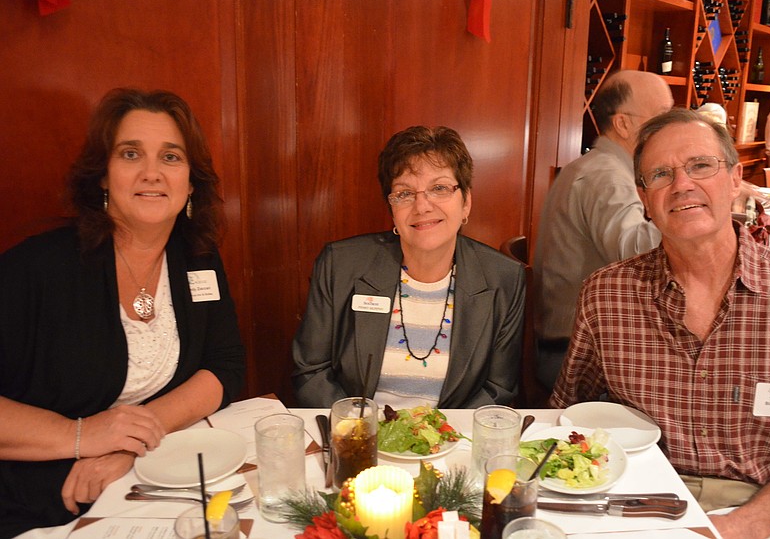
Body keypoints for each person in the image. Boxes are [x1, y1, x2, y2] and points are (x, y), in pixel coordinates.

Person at [550, 108, 770, 539]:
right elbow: (568, 412)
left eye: (700, 166)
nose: (682, 185)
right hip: (633, 502)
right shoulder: (607, 294)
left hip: (764, 511)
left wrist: (743, 526)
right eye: (661, 174)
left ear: (735, 178)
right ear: (643, 198)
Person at [0, 88, 246, 536]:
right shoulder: (36, 268)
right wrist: (81, 436)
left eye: (171, 157)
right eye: (131, 154)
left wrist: (132, 442)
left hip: (149, 480)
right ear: (103, 176)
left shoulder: (197, 258)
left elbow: (223, 366)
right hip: (42, 498)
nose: (152, 173)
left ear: (191, 183)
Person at [292, 125, 525, 409]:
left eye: (439, 188)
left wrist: (438, 431)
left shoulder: (504, 278)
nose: (422, 206)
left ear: (466, 202)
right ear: (391, 208)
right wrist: (362, 428)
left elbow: (499, 389)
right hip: (359, 432)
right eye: (404, 193)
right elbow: (311, 372)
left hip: (453, 434)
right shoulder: (339, 264)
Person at [533, 70, 671, 390]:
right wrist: (687, 215)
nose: (670, 127)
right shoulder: (605, 176)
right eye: (663, 116)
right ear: (623, 124)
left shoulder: (598, 166)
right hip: (576, 357)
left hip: (574, 342)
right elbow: (636, 253)